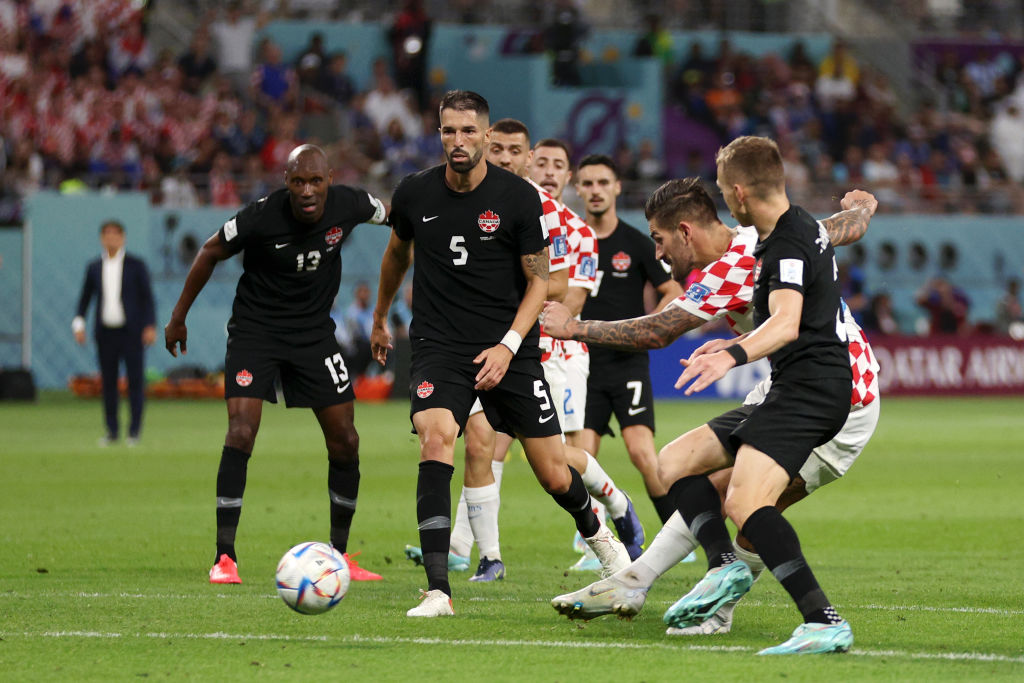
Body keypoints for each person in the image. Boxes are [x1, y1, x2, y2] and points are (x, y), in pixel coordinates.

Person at [546, 179, 880, 645]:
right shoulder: (760, 237)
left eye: (660, 241)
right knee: (691, 472)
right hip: (790, 385)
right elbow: (839, 228)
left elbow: (657, 331)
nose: (659, 256)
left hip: (841, 400)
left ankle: (814, 618)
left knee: (750, 508)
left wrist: (573, 327)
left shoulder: (728, 269)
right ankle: (642, 583)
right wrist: (863, 207)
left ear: (685, 232)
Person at [371, 91, 629, 617]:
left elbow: (539, 284)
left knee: (555, 474)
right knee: (436, 436)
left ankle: (608, 548)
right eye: (448, 131)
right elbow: (397, 253)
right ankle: (439, 589)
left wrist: (509, 347)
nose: (458, 141)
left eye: (469, 131)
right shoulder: (415, 193)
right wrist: (380, 314)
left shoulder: (517, 198)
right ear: (438, 133)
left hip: (511, 348)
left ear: (487, 136)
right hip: (439, 346)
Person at [631, 137, 855, 655]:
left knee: (746, 502)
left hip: (812, 388)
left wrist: (728, 355)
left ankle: (823, 621)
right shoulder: (788, 230)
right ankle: (725, 568)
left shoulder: (789, 241)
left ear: (737, 191)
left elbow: (786, 322)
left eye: (723, 186)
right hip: (792, 386)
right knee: (675, 462)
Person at [164, 144, 387, 585]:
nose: (307, 190)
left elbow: (400, 218)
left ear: (329, 180)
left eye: (315, 181)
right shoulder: (260, 216)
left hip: (314, 336)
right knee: (242, 431)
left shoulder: (352, 203)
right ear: (286, 182)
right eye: (298, 181)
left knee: (345, 438)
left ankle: (340, 557)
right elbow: (209, 251)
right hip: (256, 332)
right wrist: (178, 317)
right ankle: (224, 558)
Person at [574, 154, 683, 528]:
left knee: (641, 453)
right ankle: (596, 539)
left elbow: (673, 288)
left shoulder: (635, 243)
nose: (595, 191)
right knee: (582, 456)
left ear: (618, 187)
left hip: (627, 363)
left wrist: (647, 327)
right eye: (587, 184)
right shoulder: (571, 242)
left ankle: (675, 535)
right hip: (582, 364)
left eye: (603, 182)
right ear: (578, 189)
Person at [73, 220, 156, 446]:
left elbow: (147, 298)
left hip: (131, 332)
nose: (111, 239)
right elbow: (85, 299)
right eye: (106, 234)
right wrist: (78, 325)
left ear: (123, 238)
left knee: (135, 382)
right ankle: (112, 430)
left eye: (115, 234)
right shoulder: (94, 267)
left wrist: (150, 325)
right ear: (101, 238)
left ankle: (134, 431)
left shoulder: (136, 265)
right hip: (105, 333)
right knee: (108, 383)